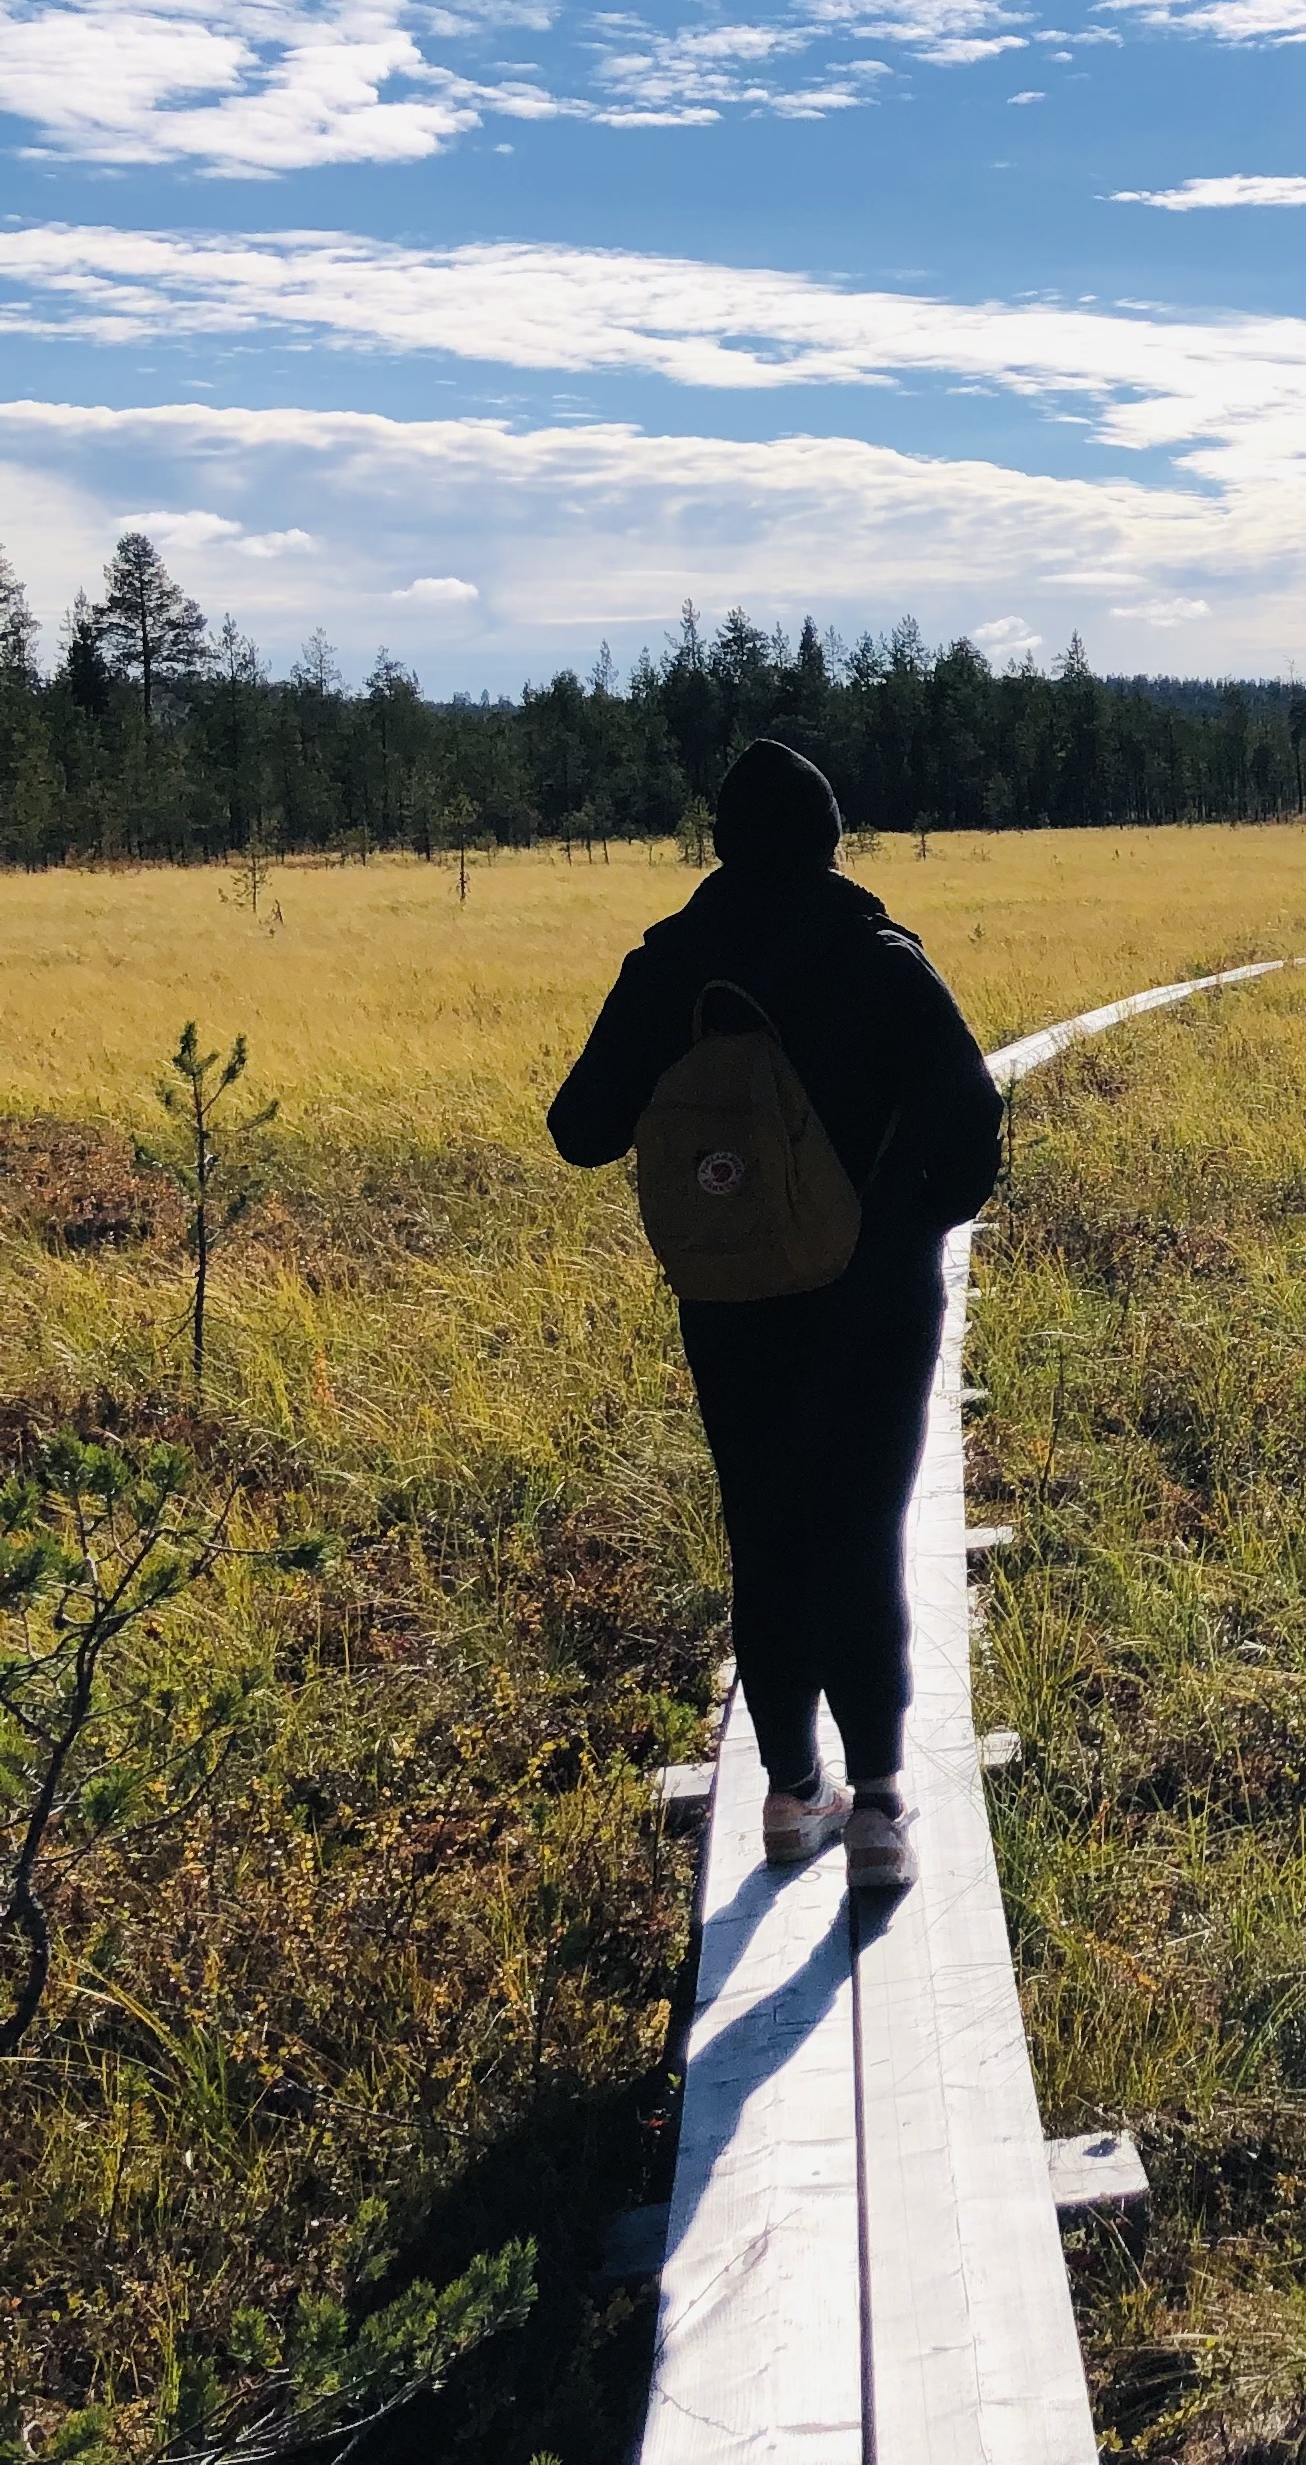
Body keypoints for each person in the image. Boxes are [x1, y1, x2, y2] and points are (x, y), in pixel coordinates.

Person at [548, 740, 1002, 1892]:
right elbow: (972, 1122)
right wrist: (907, 1225)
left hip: (731, 1300)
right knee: (862, 1531)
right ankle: (884, 1806)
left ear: (719, 843)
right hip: (875, 1302)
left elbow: (579, 1127)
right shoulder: (881, 957)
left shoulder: (671, 963)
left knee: (767, 1529)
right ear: (832, 840)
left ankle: (793, 1793)